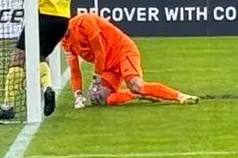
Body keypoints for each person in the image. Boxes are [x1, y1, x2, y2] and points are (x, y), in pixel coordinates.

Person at [64, 12, 199, 107]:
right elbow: (74, 69)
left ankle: (180, 96)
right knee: (99, 100)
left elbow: (100, 53)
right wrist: (78, 94)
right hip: (107, 65)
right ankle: (134, 95)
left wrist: (96, 80)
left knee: (136, 85)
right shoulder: (64, 41)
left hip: (122, 52)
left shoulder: (85, 22)